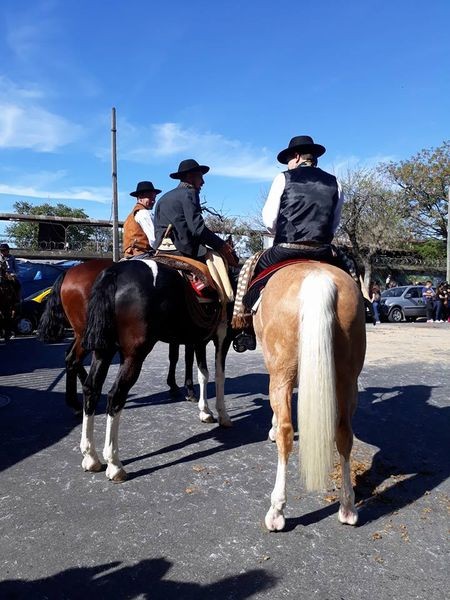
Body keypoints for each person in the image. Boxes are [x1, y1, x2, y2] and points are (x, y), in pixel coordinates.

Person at [232, 135, 346, 351]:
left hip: (287, 249)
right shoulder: (335, 182)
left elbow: (269, 221)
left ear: (295, 156)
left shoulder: (283, 178)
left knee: (250, 267)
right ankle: (362, 307)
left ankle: (244, 324)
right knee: (349, 270)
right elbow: (334, 224)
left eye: (288, 160)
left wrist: (280, 232)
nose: (287, 165)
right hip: (322, 250)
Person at [153, 159, 238, 266]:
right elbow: (198, 229)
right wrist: (221, 245)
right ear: (190, 176)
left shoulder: (163, 198)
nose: (203, 182)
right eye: (200, 177)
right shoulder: (189, 193)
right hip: (183, 250)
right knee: (222, 267)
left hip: (161, 249)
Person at [123, 181, 162, 258]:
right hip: (143, 255)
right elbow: (154, 240)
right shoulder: (144, 213)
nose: (153, 201)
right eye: (150, 197)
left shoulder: (131, 215)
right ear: (140, 197)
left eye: (154, 198)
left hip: (130, 255)